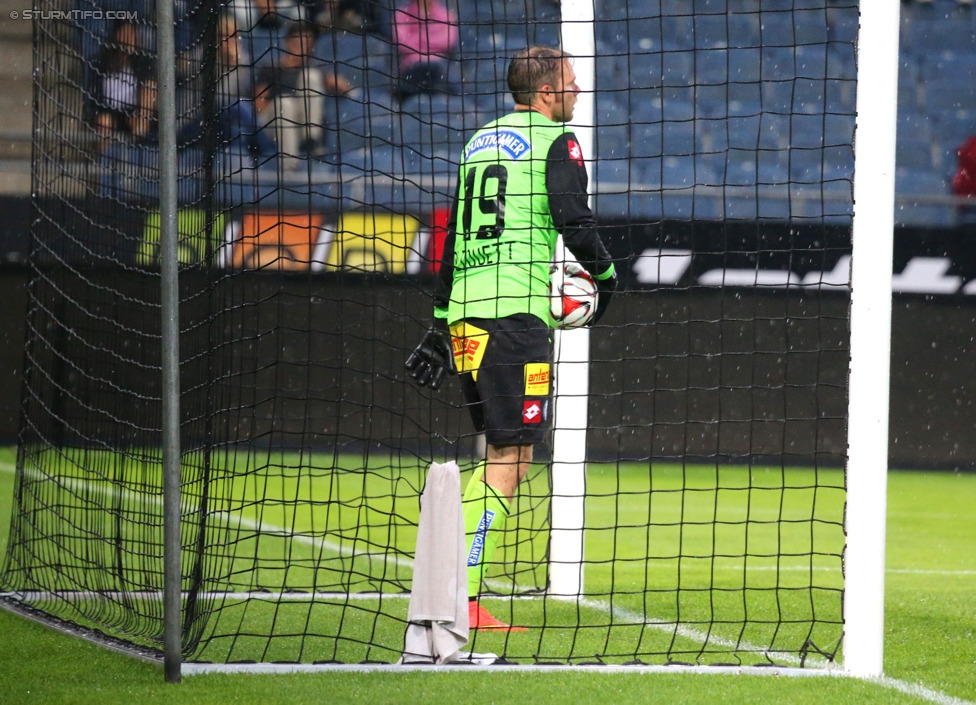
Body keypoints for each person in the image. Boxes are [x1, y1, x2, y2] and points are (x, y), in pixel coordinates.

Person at [405, 46, 618, 631]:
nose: (577, 93)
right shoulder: (557, 142)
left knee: (504, 454)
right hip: (515, 321)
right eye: (571, 84)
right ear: (547, 93)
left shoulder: (479, 141)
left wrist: (441, 322)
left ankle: (454, 585)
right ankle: (461, 595)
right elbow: (574, 217)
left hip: (468, 320)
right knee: (512, 456)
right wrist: (605, 277)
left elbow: (451, 237)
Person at [390, 0, 459, 102]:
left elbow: (448, 41)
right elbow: (402, 42)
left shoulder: (446, 15)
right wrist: (430, 39)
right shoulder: (401, 15)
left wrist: (420, 38)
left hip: (439, 64)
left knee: (441, 75)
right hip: (412, 65)